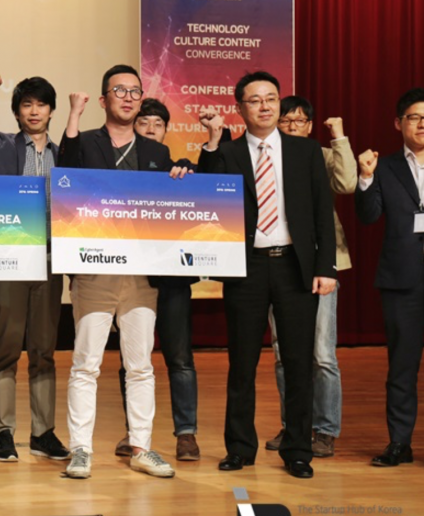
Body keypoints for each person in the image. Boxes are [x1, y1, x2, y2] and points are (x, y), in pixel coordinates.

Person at [198, 71, 336, 480]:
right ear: (240, 108)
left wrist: (326, 267)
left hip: (295, 265)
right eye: (255, 100)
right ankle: (240, 448)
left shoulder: (305, 151)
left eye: (271, 98)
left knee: (298, 362)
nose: (265, 106)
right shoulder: (228, 152)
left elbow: (322, 212)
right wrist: (211, 143)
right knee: (242, 363)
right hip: (248, 267)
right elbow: (207, 193)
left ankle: (298, 449)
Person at [57, 64, 182, 479]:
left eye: (134, 91)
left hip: (143, 275)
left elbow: (169, 204)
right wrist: (74, 115)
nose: (128, 98)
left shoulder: (156, 152)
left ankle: (141, 447)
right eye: (119, 91)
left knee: (140, 365)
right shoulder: (85, 142)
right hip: (94, 272)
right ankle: (80, 449)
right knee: (86, 364)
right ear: (104, 98)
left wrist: (182, 176)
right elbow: (66, 174)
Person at [0, 72, 69, 463]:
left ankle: (43, 433)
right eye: (26, 104)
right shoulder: (1, 145)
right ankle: (3, 433)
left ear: (51, 110)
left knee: (44, 350)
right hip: (9, 258)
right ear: (17, 112)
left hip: (49, 260)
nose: (34, 111)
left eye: (41, 104)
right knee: (7, 346)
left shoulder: (64, 154)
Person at [109, 98, 224, 461]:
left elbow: (211, 182)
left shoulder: (181, 170)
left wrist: (210, 142)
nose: (150, 129)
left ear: (165, 131)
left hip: (172, 279)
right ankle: (134, 432)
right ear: (133, 128)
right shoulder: (118, 173)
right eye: (143, 123)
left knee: (180, 358)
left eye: (158, 124)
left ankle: (186, 434)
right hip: (129, 279)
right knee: (132, 360)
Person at [263, 96, 356, 458]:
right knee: (283, 353)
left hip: (321, 264)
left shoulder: (321, 154)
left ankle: (326, 429)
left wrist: (339, 137)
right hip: (281, 263)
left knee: (321, 354)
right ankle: (293, 426)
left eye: (299, 121)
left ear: (310, 126)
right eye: (286, 121)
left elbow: (347, 183)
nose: (292, 127)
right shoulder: (267, 156)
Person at [355, 87, 424, 469]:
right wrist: (366, 178)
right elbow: (368, 216)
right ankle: (400, 443)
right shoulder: (384, 166)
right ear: (399, 123)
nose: (422, 123)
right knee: (402, 367)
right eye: (414, 117)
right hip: (402, 281)